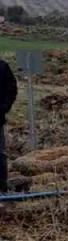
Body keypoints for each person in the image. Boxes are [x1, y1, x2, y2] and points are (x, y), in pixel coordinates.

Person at [0, 57, 16, 193]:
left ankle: (2, 186)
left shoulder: (2, 67)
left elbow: (11, 90)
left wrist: (4, 107)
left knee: (0, 154)